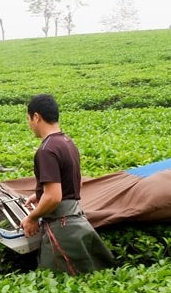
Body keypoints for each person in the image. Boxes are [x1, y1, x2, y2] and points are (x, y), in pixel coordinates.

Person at [19, 94, 116, 274]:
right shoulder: (67, 142)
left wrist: (32, 217)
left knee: (55, 282)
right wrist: (39, 195)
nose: (29, 124)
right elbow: (69, 184)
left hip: (62, 228)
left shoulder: (46, 150)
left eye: (28, 119)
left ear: (37, 117)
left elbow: (54, 197)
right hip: (75, 220)